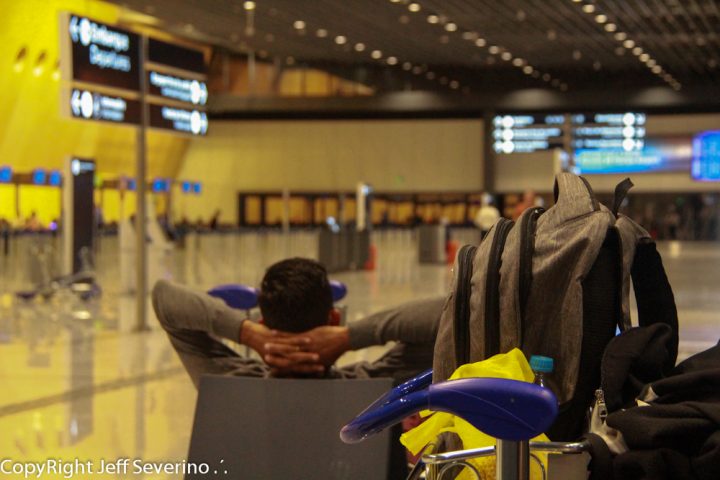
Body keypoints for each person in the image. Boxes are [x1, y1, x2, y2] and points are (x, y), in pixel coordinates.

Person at [151, 258, 444, 387]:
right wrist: (350, 337)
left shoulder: (224, 380)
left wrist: (247, 332)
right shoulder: (377, 387)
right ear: (334, 318)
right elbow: (450, 311)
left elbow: (165, 298)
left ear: (263, 320)